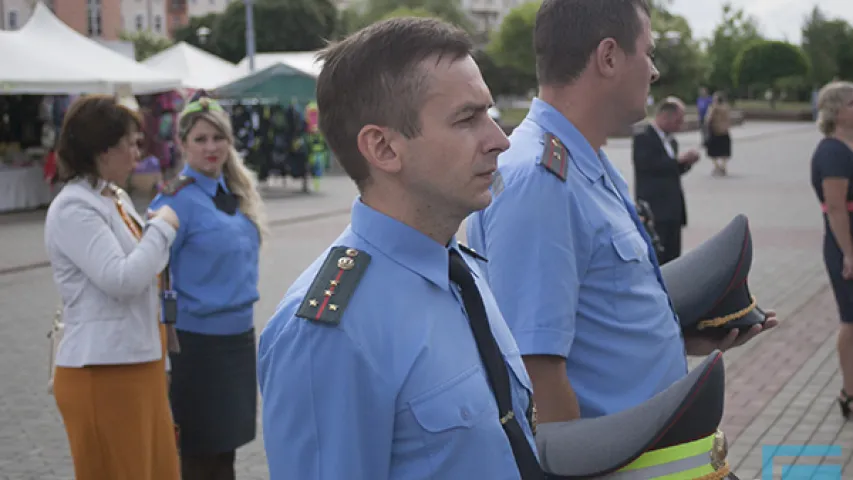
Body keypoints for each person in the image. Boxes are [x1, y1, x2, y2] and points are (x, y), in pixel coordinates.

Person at [466, 0, 777, 422]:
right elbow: (537, 371)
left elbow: (591, 314)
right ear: (609, 57)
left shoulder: (583, 160)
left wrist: (675, 337)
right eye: (647, 52)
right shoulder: (541, 180)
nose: (653, 71)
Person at [257, 17, 541, 480]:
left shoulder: (458, 271)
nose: (500, 140)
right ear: (384, 148)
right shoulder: (329, 334)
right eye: (467, 119)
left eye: (489, 113)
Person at [44, 95, 181, 480]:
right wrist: (163, 228)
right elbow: (122, 280)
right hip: (103, 370)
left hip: (138, 361)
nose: (138, 153)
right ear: (103, 148)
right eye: (131, 143)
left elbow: (145, 277)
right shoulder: (74, 208)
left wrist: (163, 359)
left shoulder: (112, 197)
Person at [148, 92, 267, 479]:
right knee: (199, 456)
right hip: (195, 345)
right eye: (200, 139)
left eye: (218, 137)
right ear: (182, 144)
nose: (211, 147)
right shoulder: (175, 200)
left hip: (238, 341)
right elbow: (151, 275)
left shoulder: (236, 195)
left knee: (225, 454)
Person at [809, 80, 853, 419]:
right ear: (837, 111)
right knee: (851, 320)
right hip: (844, 244)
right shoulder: (832, 152)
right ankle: (848, 392)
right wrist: (849, 253)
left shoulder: (847, 146)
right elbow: (836, 208)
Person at [632, 97, 700, 264]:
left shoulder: (672, 141)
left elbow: (670, 172)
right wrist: (678, 161)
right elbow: (646, 165)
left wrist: (685, 164)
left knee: (674, 258)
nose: (680, 125)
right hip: (655, 209)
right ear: (664, 116)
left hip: (673, 209)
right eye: (678, 121)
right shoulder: (644, 137)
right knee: (658, 258)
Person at [705, 92, 732, 176]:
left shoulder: (713, 108)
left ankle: (717, 167)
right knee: (724, 151)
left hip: (715, 131)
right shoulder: (726, 108)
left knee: (712, 151)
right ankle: (723, 166)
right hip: (724, 131)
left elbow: (708, 118)